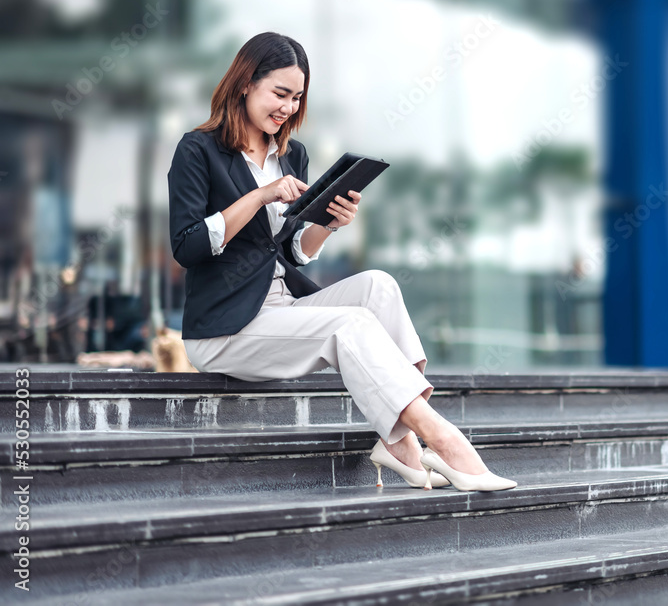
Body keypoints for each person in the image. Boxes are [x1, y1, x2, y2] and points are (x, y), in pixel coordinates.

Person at [167, 32, 514, 492]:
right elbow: (187, 246)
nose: (288, 107)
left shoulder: (293, 155)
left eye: (297, 97)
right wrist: (259, 196)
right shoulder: (198, 150)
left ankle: (399, 443)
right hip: (224, 326)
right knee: (349, 324)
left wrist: (328, 224)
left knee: (379, 286)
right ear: (246, 83)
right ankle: (444, 440)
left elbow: (290, 252)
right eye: (280, 93)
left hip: (279, 307)